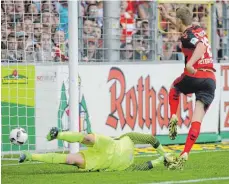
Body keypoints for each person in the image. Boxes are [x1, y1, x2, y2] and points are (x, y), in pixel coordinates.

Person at [158, 6, 216, 170]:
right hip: (210, 79)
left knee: (175, 88)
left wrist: (190, 63)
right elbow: (185, 28)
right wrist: (167, 16)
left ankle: (173, 117)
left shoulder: (186, 36)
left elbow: (200, 46)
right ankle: (185, 153)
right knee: (197, 119)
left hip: (195, 74)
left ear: (180, 21)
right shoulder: (197, 28)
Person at [19, 127, 174, 172]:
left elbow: (144, 166)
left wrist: (162, 159)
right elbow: (151, 140)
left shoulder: (129, 166)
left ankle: (30, 156)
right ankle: (58, 134)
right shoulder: (128, 138)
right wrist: (163, 153)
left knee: (70, 160)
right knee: (88, 138)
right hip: (108, 144)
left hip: (101, 162)